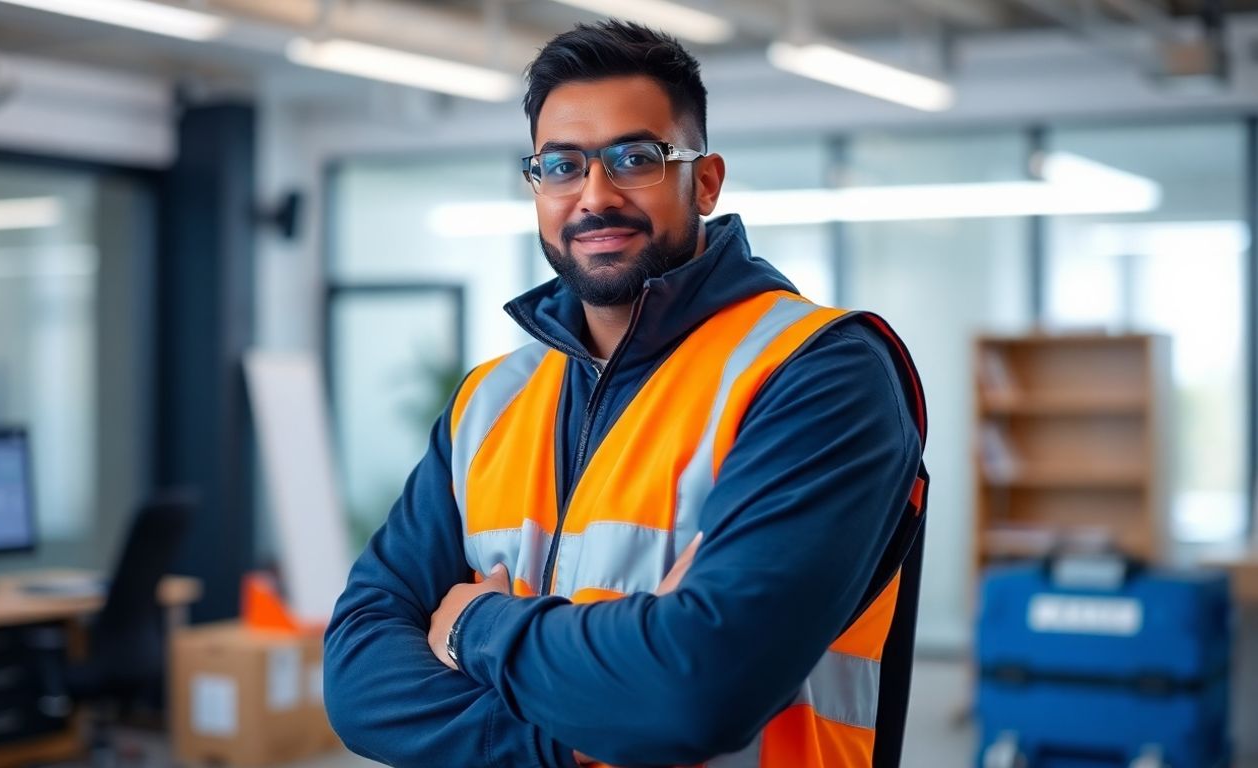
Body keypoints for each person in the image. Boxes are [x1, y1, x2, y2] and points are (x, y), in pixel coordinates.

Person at [324, 20, 929, 768]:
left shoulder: (818, 373)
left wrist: (475, 626)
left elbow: (695, 691)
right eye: (562, 165)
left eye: (635, 158)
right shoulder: (488, 401)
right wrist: (577, 741)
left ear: (705, 181)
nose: (595, 196)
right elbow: (357, 679)